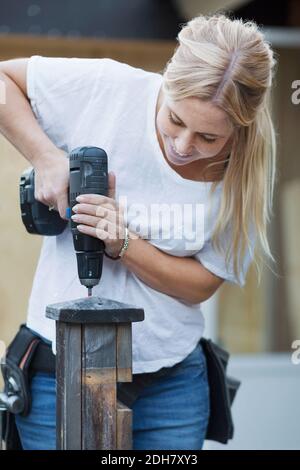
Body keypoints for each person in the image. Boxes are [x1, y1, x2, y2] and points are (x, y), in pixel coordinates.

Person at [0, 13, 277, 450]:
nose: (184, 146)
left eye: (209, 138)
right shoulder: (108, 89)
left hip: (173, 385)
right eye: (175, 119)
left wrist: (123, 242)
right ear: (167, 80)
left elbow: (201, 284)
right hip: (62, 372)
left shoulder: (245, 170)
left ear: (239, 129)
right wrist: (46, 157)